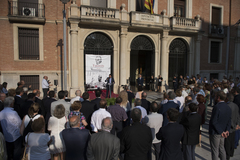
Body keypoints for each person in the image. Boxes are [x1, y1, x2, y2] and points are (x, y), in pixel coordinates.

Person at [209, 91, 231, 160]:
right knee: (222, 148)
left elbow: (214, 121)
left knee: (215, 150)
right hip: (223, 131)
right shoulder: (228, 107)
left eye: (215, 96)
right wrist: (227, 130)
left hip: (216, 132)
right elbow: (229, 120)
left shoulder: (217, 107)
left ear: (218, 97)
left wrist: (221, 131)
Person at [224, 93, 240, 160]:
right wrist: (238, 124)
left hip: (229, 127)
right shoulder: (235, 106)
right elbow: (238, 115)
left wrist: (234, 125)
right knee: (232, 140)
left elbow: (229, 118)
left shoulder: (227, 106)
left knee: (227, 142)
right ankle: (231, 152)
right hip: (234, 126)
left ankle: (227, 155)